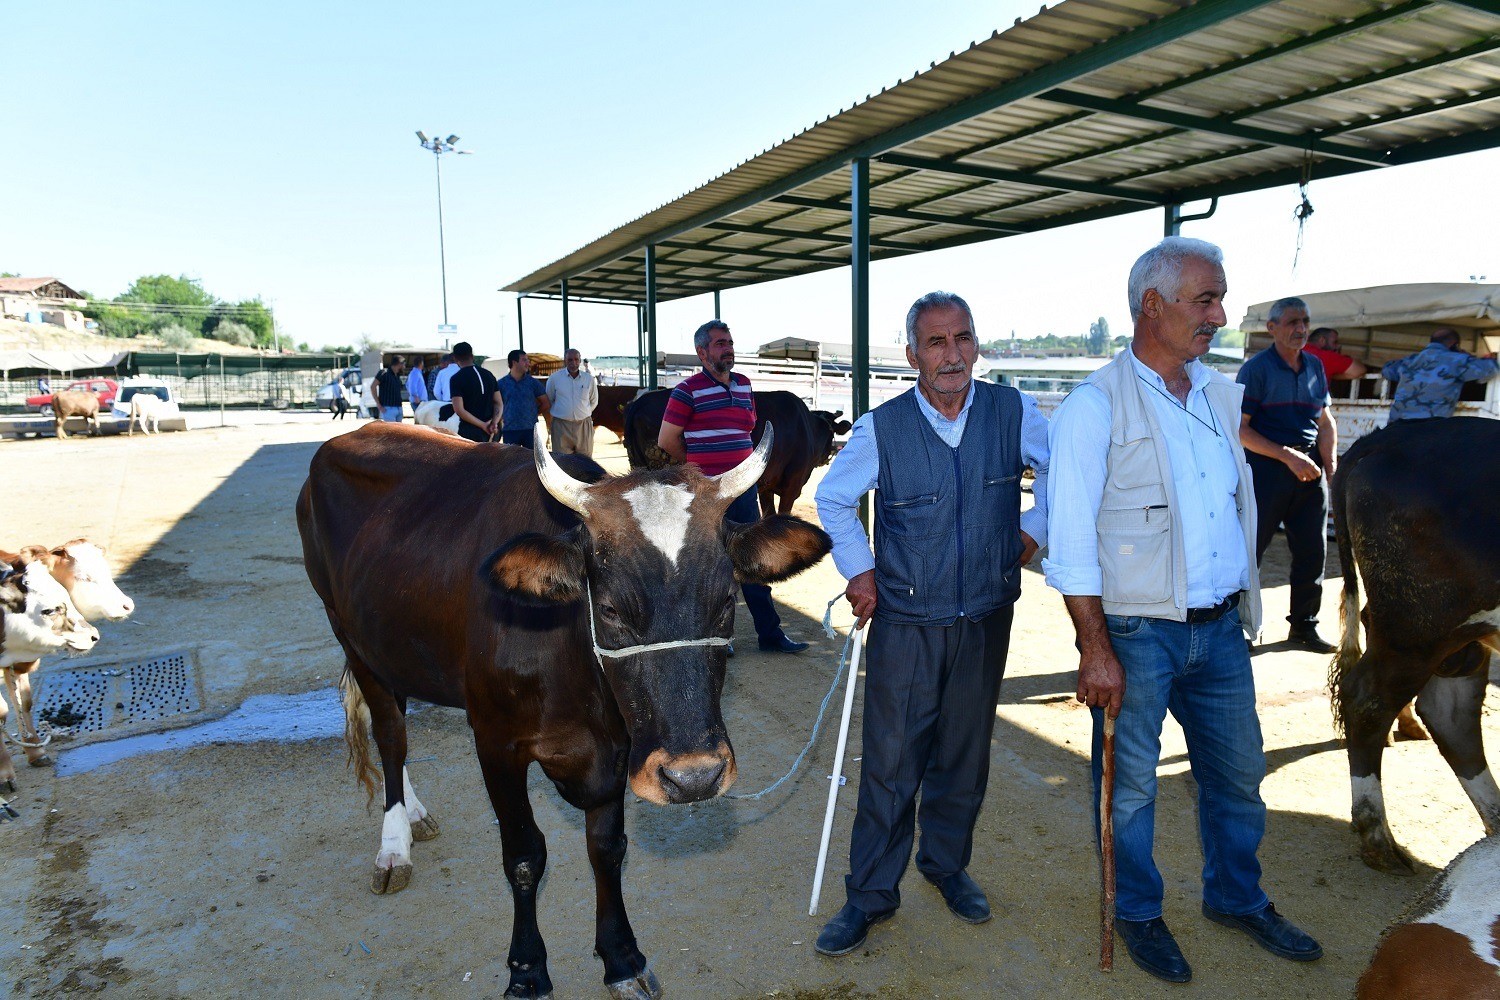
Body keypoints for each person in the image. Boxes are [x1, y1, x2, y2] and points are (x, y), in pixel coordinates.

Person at [1046, 237, 1321, 985]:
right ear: (1152, 306)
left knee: (1238, 776)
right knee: (1129, 792)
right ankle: (1137, 912)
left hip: (1221, 629)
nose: (1221, 315)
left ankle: (1236, 897)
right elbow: (1067, 544)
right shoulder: (1093, 407)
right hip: (1136, 634)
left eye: (1219, 298)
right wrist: (1094, 647)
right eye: (1205, 300)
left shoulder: (1218, 395)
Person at [811, 292, 1049, 957]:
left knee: (964, 756)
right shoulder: (881, 428)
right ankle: (869, 897)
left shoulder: (1012, 411)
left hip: (985, 616)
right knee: (891, 762)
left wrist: (1034, 531)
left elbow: (1068, 471)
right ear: (913, 354)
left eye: (963, 340)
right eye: (936, 343)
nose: (952, 356)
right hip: (907, 624)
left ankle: (946, 867)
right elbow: (832, 498)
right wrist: (859, 570)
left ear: (977, 346)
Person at [658, 320, 807, 656]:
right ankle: (715, 638)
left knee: (752, 560)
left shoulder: (743, 385)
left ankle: (770, 635)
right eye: (720, 343)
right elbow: (666, 440)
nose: (728, 348)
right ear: (702, 352)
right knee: (709, 565)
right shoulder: (687, 390)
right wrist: (700, 470)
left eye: (729, 342)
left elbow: (746, 429)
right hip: (707, 495)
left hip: (743, 491)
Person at [1237, 297, 1337, 653]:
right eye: (1293, 322)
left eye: (1305, 321)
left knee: (1313, 552)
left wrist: (1331, 465)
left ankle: (1304, 627)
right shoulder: (1257, 370)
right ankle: (1241, 628)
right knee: (1251, 550)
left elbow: (1325, 421)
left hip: (1309, 471)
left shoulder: (1314, 367)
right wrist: (1287, 457)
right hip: (1267, 469)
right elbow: (1241, 430)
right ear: (1272, 328)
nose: (1300, 329)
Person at [1382, 327, 1499, 421]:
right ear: (1455, 345)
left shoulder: (1409, 361)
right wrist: (1468, 356)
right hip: (1429, 427)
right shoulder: (1458, 360)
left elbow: (1386, 370)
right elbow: (1492, 368)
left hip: (1396, 425)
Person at [545, 348, 598, 456]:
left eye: (576, 359)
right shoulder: (554, 379)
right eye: (570, 360)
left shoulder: (589, 379)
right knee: (561, 462)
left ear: (579, 360)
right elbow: (549, 400)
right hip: (561, 427)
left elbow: (594, 401)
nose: (573, 363)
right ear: (565, 361)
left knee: (586, 463)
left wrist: (583, 412)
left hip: (583, 426)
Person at [448, 342, 502, 443]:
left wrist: (482, 425)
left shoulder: (456, 379)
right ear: (472, 356)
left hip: (469, 432)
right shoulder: (489, 375)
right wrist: (494, 422)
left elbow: (459, 409)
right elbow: (499, 403)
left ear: (455, 359)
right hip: (493, 431)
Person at [496, 350, 550, 448]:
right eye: (524, 360)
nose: (528, 363)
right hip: (510, 431)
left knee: (531, 461)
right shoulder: (501, 384)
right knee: (511, 461)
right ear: (514, 362)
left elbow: (546, 403)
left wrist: (533, 413)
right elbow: (497, 405)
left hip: (530, 431)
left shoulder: (533, 383)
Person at [372, 355, 407, 423]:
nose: (404, 367)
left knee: (398, 432)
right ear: (399, 364)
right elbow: (373, 386)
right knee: (390, 432)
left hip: (398, 407)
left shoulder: (397, 375)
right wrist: (378, 404)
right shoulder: (384, 373)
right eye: (404, 365)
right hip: (388, 409)